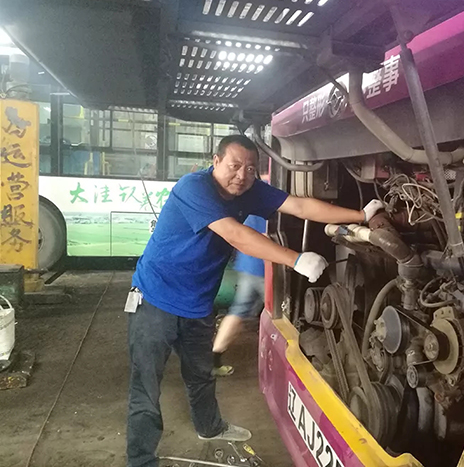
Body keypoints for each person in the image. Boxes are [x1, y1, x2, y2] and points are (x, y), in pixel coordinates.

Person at [126, 134, 383, 467]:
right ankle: (141, 460)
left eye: (250, 168)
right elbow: (235, 234)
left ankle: (210, 427)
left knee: (201, 374)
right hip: (155, 300)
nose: (242, 175)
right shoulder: (194, 187)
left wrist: (360, 215)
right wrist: (295, 259)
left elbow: (300, 206)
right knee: (146, 388)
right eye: (234, 166)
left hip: (198, 304)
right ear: (216, 161)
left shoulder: (249, 191)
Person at [213, 214, 266, 377]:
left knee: (238, 311)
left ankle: (213, 359)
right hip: (266, 266)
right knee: (282, 317)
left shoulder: (253, 202)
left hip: (248, 264)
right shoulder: (275, 204)